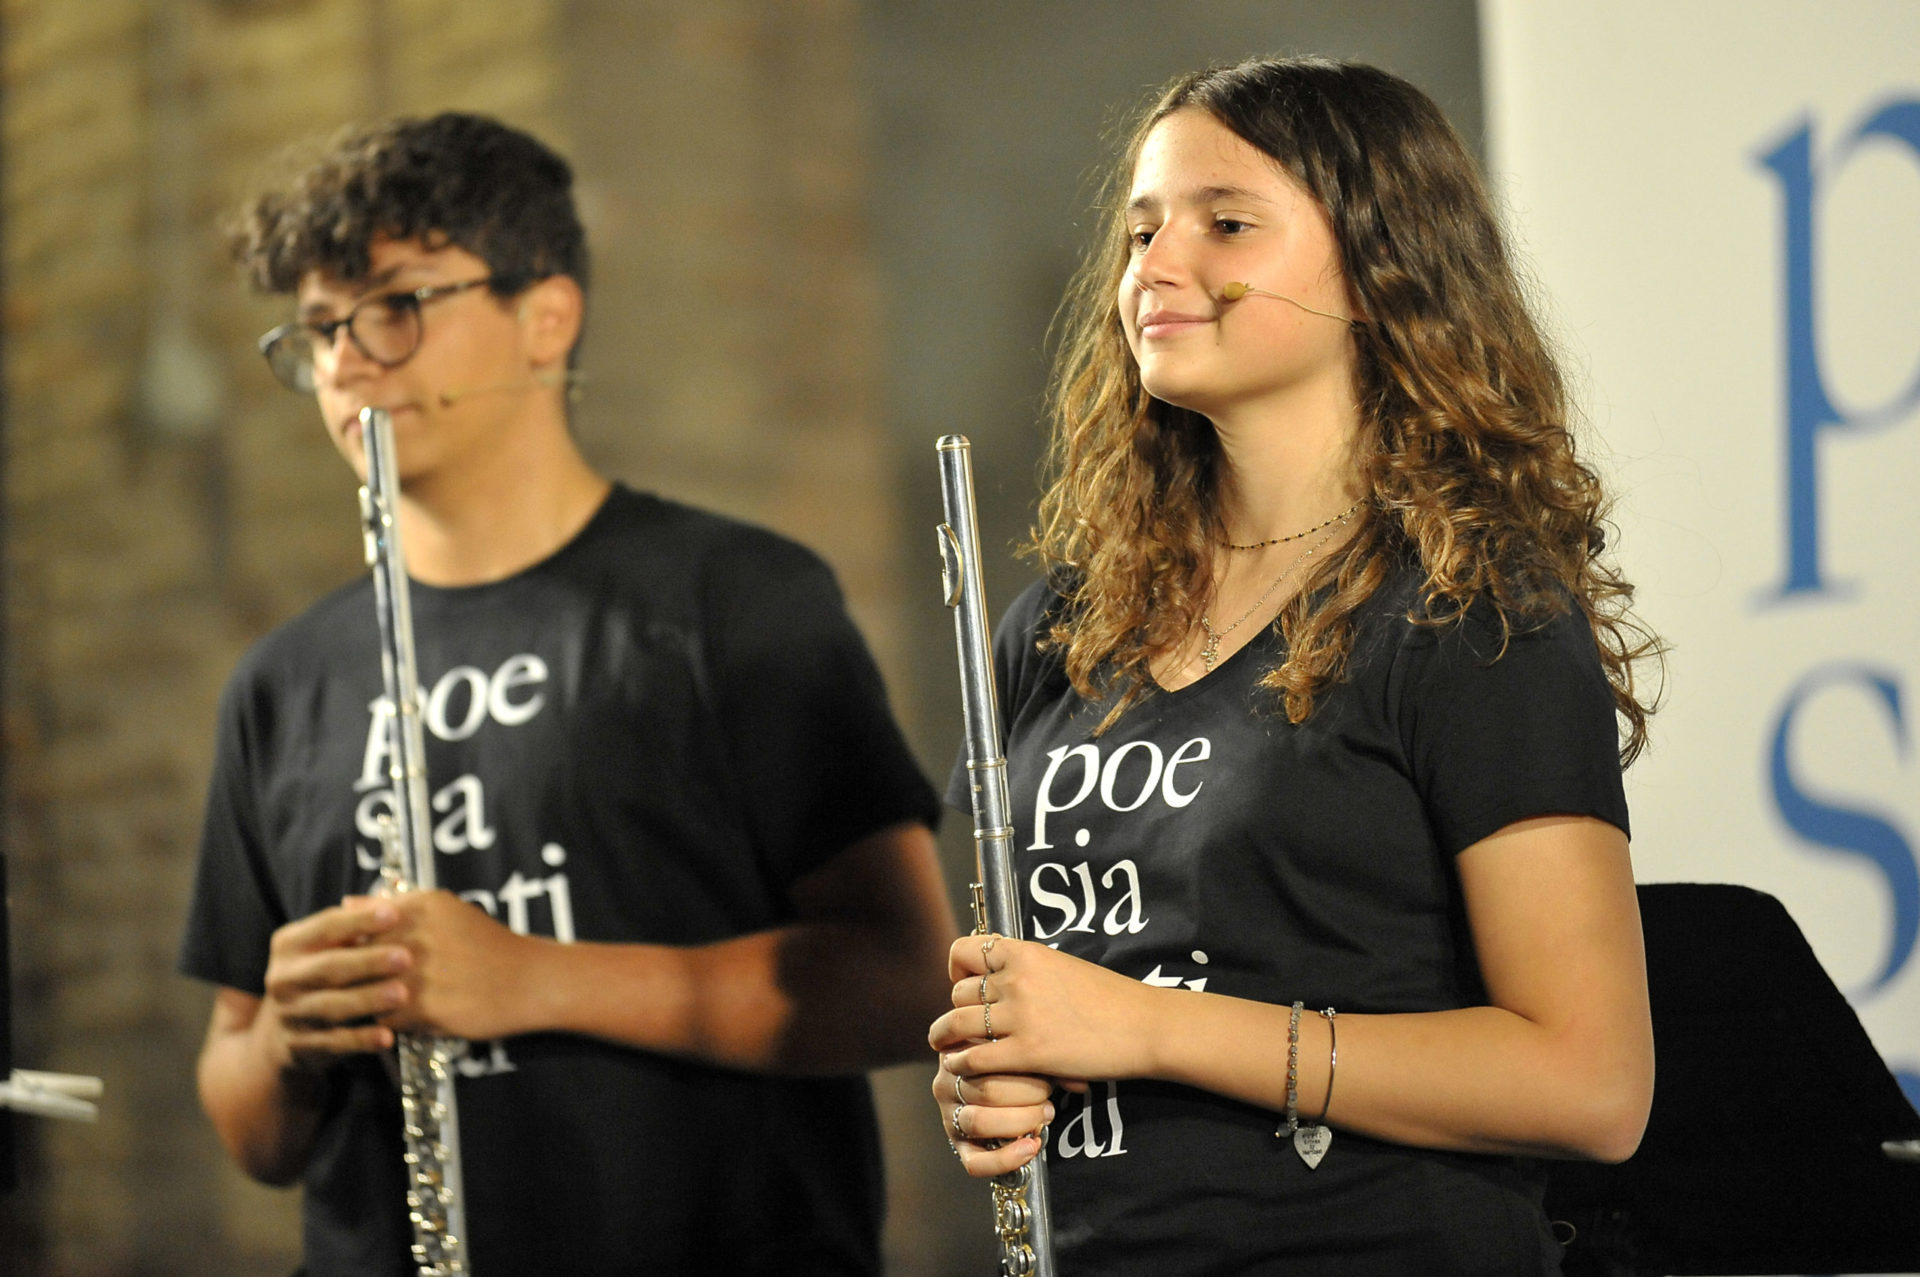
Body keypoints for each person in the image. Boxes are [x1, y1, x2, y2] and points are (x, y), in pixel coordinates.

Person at [178, 112, 956, 1275]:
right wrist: (293, 1035)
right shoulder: (284, 681)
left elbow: (903, 980)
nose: (343, 365)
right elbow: (251, 1127)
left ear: (546, 315)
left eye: (395, 307)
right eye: (317, 329)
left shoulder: (735, 596)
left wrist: (534, 978)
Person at [929, 58, 1661, 1275]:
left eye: (1225, 224)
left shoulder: (1473, 617)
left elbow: (1590, 1083)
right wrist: (995, 1073)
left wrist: (1147, 1027)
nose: (1154, 267)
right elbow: (1048, 997)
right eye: (1141, 229)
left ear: (1385, 269)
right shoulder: (1059, 625)